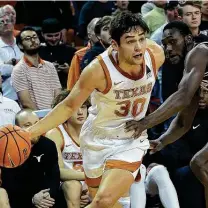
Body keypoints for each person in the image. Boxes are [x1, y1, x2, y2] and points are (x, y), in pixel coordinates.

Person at [26, 11, 164, 208]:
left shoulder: (155, 55)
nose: (138, 47)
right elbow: (68, 106)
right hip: (96, 139)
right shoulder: (97, 70)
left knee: (102, 201)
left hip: (130, 139)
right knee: (105, 203)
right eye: (130, 41)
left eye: (142, 39)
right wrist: (30, 132)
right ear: (114, 45)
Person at [125, 21, 208, 207]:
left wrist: (144, 123)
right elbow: (184, 121)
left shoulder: (200, 52)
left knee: (200, 163)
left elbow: (182, 97)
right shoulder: (191, 69)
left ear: (187, 39)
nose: (168, 48)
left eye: (173, 41)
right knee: (199, 165)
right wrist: (163, 140)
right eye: (164, 44)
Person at [1, 109, 60, 208]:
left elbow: (54, 176)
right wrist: (32, 199)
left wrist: (48, 195)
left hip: (44, 197)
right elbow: (9, 185)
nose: (34, 128)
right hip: (18, 199)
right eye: (28, 125)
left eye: (37, 123)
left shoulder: (48, 144)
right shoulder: (7, 149)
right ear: (17, 128)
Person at [46, 90, 91, 208]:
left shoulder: (95, 132)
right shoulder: (55, 133)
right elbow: (58, 172)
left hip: (91, 180)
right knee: (74, 186)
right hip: (65, 184)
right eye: (75, 108)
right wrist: (88, 178)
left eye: (84, 107)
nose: (80, 112)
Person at [12, 27, 62, 110]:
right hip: (36, 119)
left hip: (55, 116)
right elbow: (26, 102)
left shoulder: (50, 66)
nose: (33, 40)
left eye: (35, 37)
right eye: (28, 38)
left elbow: (58, 95)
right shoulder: (19, 70)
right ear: (20, 45)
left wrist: (55, 116)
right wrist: (42, 119)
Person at [39, 18, 76, 89]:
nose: (53, 39)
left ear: (61, 34)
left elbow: (80, 75)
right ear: (42, 34)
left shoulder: (71, 51)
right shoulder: (37, 52)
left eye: (56, 35)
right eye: (49, 36)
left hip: (66, 89)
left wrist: (69, 71)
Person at [67, 18, 100, 90]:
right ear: (89, 35)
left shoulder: (116, 52)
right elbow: (72, 85)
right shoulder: (79, 55)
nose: (100, 34)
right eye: (97, 31)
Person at [0, 7, 23, 101]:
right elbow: (2, 70)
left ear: (13, 23)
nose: (5, 23)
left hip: (30, 95)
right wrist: (21, 64)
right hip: (8, 97)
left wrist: (10, 63)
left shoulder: (22, 42)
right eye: (1, 21)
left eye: (8, 20)